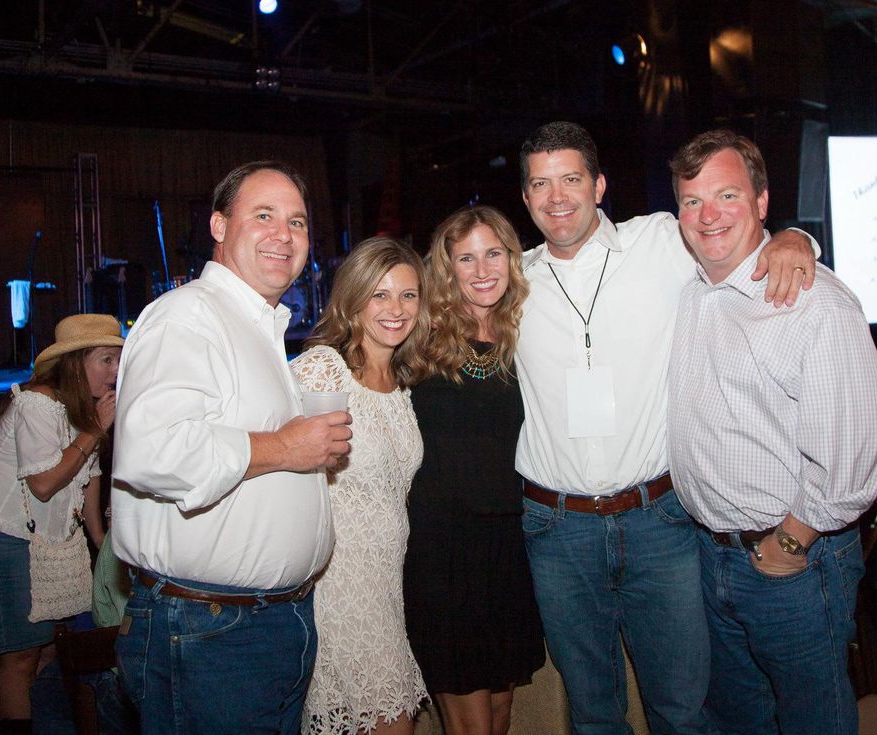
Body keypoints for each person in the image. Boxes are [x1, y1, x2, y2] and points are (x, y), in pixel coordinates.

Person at [514, 121, 819, 735]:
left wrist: (795, 237)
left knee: (682, 710)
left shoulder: (661, 241)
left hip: (660, 522)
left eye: (571, 179)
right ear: (525, 199)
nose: (556, 197)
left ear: (599, 185)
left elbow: (734, 235)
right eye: (540, 184)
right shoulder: (510, 280)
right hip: (557, 528)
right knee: (594, 715)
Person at [111, 161, 352, 735]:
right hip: (208, 629)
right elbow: (154, 451)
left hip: (268, 622)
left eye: (296, 222)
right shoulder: (186, 317)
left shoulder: (258, 326)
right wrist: (286, 447)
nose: (284, 235)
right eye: (263, 216)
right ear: (219, 226)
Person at [666, 129, 877, 734]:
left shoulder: (813, 303)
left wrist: (788, 545)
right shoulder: (691, 292)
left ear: (763, 202)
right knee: (743, 722)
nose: (708, 216)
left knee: (812, 719)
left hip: (791, 562)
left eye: (727, 196)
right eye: (691, 202)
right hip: (710, 558)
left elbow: (855, 457)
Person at [403, 205, 545, 735]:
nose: (482, 269)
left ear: (512, 259)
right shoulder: (417, 332)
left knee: (502, 714)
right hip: (441, 551)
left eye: (493, 254)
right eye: (466, 257)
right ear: (447, 267)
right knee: (473, 726)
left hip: (509, 546)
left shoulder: (525, 331)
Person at [292, 236, 431, 735]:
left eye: (409, 295)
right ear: (352, 299)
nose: (396, 309)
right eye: (380, 295)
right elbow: (278, 462)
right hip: (337, 587)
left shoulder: (403, 381)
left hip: (387, 586)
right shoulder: (323, 369)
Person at [0, 313, 120, 734]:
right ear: (75, 363)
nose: (114, 372)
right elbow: (44, 484)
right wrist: (94, 431)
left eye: (117, 361)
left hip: (52, 541)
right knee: (19, 655)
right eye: (105, 360)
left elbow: (89, 478)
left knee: (49, 649)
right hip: (4, 537)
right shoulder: (36, 403)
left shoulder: (82, 407)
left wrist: (100, 543)